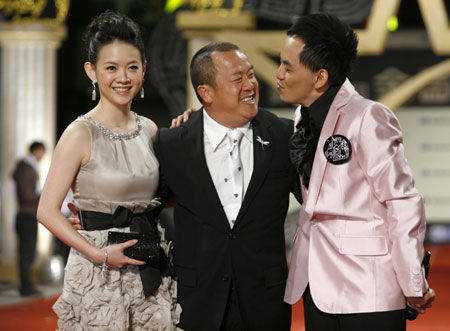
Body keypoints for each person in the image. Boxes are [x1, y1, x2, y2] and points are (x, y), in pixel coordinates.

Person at [278, 13, 435, 330]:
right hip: (316, 283)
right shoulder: (300, 117)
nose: (278, 74)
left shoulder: (369, 117)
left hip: (368, 287)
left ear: (319, 77)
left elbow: (402, 202)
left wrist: (413, 284)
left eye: (287, 66)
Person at [37, 11, 180, 330]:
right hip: (97, 271)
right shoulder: (79, 133)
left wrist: (186, 135)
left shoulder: (150, 129)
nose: (123, 77)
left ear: (144, 68)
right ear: (92, 71)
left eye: (132, 67)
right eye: (111, 68)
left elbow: (159, 199)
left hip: (148, 266)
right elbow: (46, 211)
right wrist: (100, 255)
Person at [154, 42, 301, 331]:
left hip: (266, 301)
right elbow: (148, 207)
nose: (250, 85)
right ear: (205, 93)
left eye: (251, 75)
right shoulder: (172, 144)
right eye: (238, 79)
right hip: (197, 302)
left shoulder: (284, 136)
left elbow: (319, 200)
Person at [13, 141, 46, 297]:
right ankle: (26, 286)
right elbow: (27, 195)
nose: (42, 156)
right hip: (27, 215)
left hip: (27, 215)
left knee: (28, 252)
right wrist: (44, 196)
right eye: (41, 152)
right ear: (36, 151)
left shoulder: (26, 167)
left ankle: (27, 284)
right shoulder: (26, 168)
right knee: (27, 253)